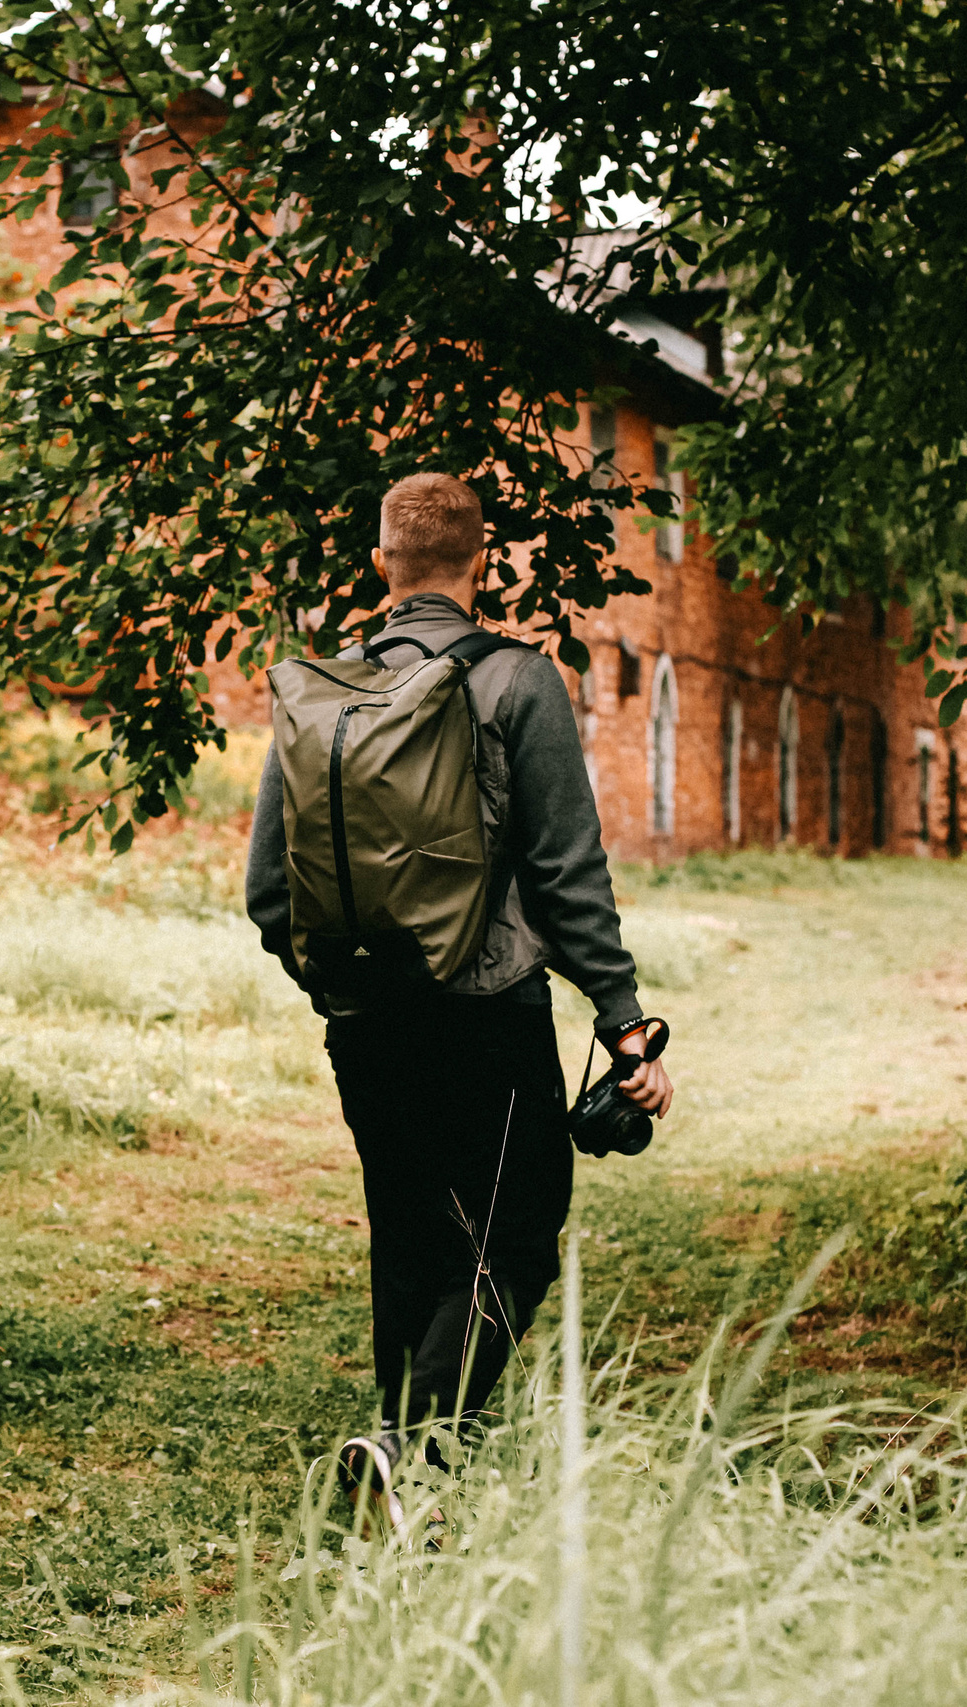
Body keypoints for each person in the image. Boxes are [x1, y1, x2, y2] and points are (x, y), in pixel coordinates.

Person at [244, 472, 673, 1507]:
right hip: (488, 1018)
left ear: (382, 561)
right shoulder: (518, 683)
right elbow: (569, 875)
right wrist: (625, 1029)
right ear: (481, 560)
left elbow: (268, 893)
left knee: (413, 1233)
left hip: (364, 1020)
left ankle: (402, 1459)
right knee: (515, 1235)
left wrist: (343, 990)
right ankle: (411, 1451)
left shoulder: (321, 696)